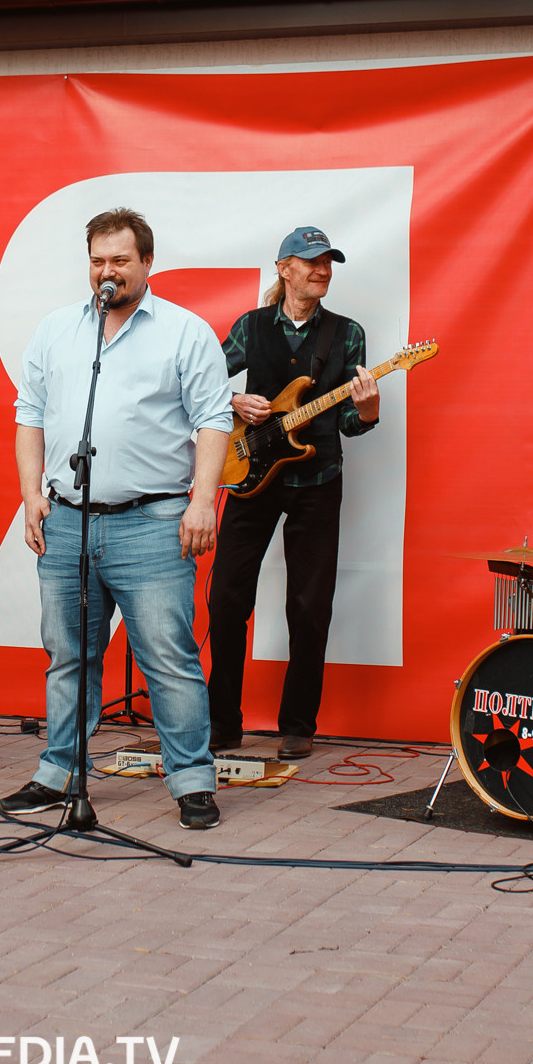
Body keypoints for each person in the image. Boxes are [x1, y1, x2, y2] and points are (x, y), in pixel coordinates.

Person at [0, 208, 234, 831]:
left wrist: (202, 501)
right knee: (68, 655)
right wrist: (31, 494)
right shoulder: (56, 330)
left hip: (153, 520)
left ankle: (191, 781)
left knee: (167, 655)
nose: (108, 272)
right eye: (98, 260)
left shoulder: (186, 333)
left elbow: (214, 420)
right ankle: (59, 773)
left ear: (147, 264)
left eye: (120, 261)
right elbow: (30, 414)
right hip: (68, 520)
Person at [206, 226, 383, 761]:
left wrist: (368, 410)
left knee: (309, 606)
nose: (322, 269)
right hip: (250, 477)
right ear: (284, 268)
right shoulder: (251, 326)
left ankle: (298, 725)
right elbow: (203, 381)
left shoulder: (347, 334)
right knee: (226, 601)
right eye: (311, 262)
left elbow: (351, 421)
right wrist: (235, 404)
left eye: (328, 262)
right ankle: (222, 725)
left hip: (317, 482)